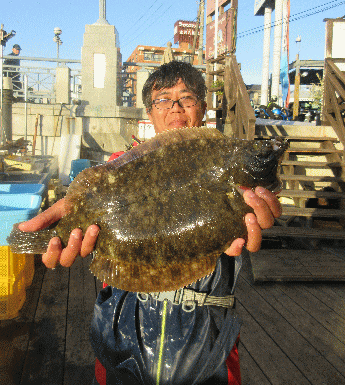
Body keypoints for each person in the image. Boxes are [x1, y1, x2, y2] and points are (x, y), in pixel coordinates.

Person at [19, 61, 282, 385]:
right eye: (163, 99)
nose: (175, 107)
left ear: (203, 107)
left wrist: (256, 219)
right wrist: (74, 215)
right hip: (121, 338)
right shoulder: (117, 167)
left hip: (207, 347)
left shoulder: (225, 158)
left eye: (186, 98)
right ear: (149, 111)